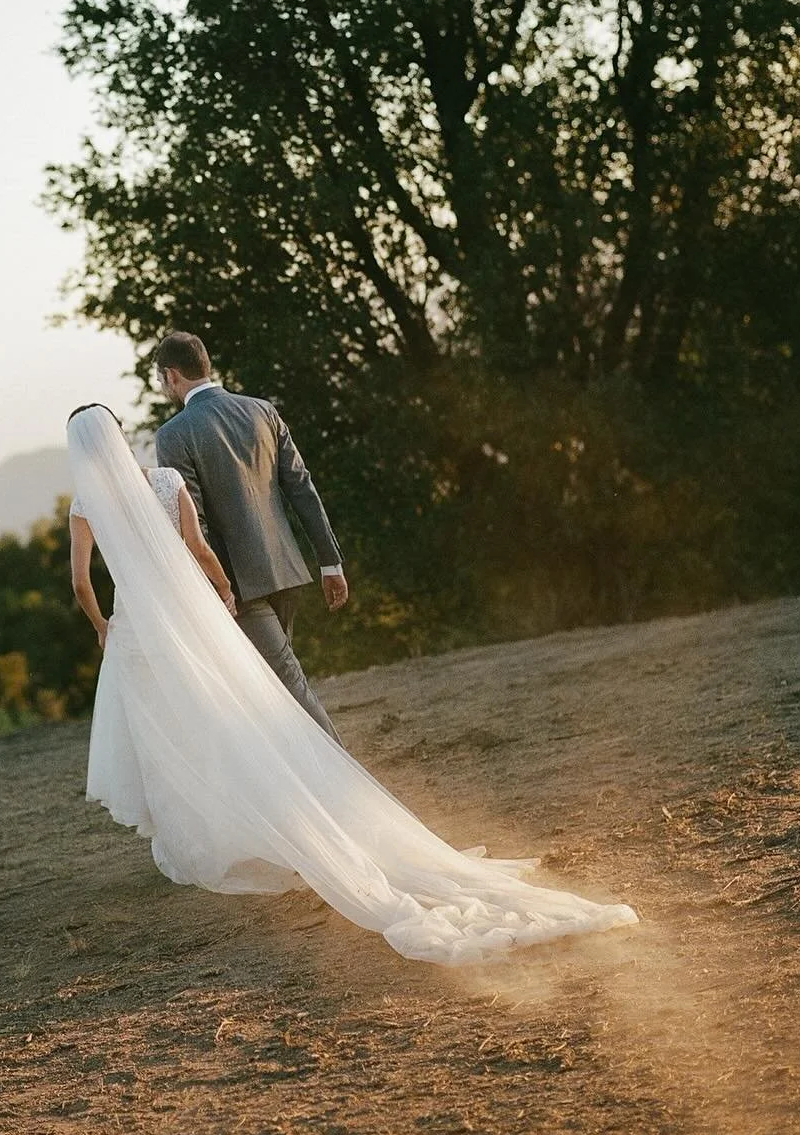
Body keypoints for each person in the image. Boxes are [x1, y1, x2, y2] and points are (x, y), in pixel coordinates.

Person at [66, 400, 637, 969]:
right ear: (121, 437)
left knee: (170, 735)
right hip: (193, 618)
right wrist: (222, 591)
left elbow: (80, 583)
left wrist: (101, 627)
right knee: (223, 719)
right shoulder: (164, 483)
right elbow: (200, 550)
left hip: (140, 632)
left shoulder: (87, 505)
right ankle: (249, 824)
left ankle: (201, 842)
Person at [152, 332, 343, 738]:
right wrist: (330, 562)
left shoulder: (173, 435)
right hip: (287, 572)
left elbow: (193, 524)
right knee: (273, 690)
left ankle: (352, 786)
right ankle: (304, 789)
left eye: (160, 379)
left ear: (171, 376)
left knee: (288, 686)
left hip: (238, 586)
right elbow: (302, 489)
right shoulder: (262, 411)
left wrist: (210, 588)